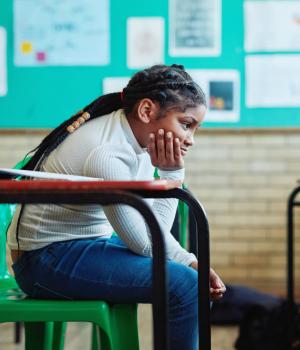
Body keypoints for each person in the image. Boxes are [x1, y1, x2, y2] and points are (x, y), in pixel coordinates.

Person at [7, 64, 226, 350]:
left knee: (188, 279)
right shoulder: (107, 154)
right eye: (185, 124)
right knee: (185, 287)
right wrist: (173, 176)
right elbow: (145, 242)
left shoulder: (140, 141)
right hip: (43, 261)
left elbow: (149, 231)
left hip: (81, 246)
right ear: (147, 111)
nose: (190, 139)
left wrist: (189, 261)